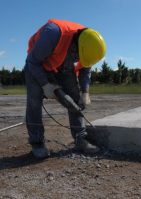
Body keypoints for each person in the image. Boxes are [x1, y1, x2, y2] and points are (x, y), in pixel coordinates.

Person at [24, 19, 106, 159]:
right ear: (76, 45)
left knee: (74, 99)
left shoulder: (88, 41)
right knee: (34, 101)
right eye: (77, 56)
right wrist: (45, 84)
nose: (78, 59)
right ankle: (37, 143)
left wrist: (85, 92)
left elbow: (86, 67)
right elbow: (32, 61)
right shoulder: (53, 33)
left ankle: (81, 138)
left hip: (62, 66)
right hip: (37, 65)